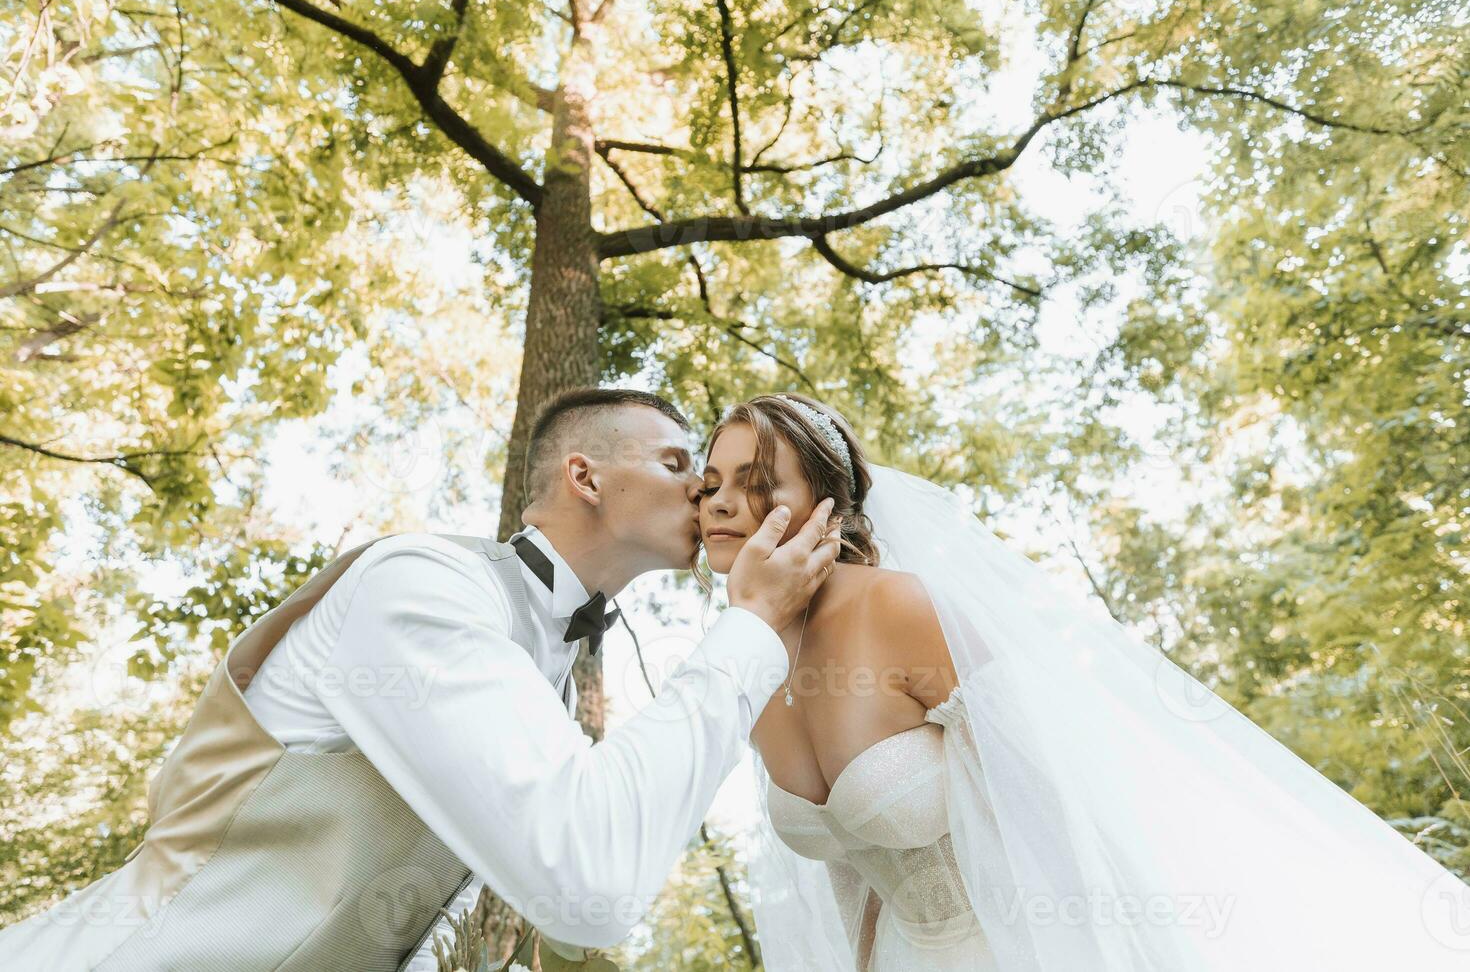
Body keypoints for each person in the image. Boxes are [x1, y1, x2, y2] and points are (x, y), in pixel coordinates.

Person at [0, 387, 841, 972]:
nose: (702, 486)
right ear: (585, 477)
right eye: (675, 461)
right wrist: (750, 629)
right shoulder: (424, 583)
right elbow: (592, 882)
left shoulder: (548, 688)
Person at [697, 391, 1470, 971]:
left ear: (828, 506)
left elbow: (1064, 794)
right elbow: (848, 873)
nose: (723, 501)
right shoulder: (750, 662)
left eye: (758, 478)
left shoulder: (899, 605)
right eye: (709, 483)